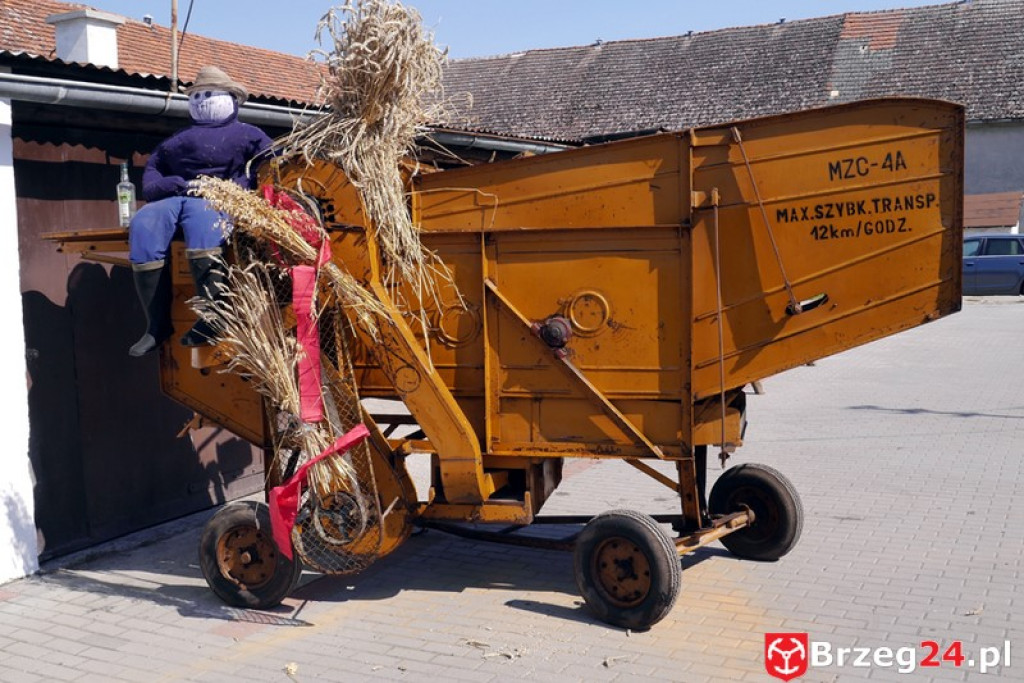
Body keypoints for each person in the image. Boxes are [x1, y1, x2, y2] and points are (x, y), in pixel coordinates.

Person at [127, 66, 273, 357]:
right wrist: (169, 184)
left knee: (205, 221)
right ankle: (156, 325)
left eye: (210, 94)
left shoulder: (248, 134)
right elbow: (154, 169)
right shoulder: (178, 140)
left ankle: (214, 314)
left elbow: (268, 163)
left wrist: (239, 187)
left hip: (216, 198)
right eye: (198, 95)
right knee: (144, 223)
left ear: (232, 99)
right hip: (178, 193)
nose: (203, 100)